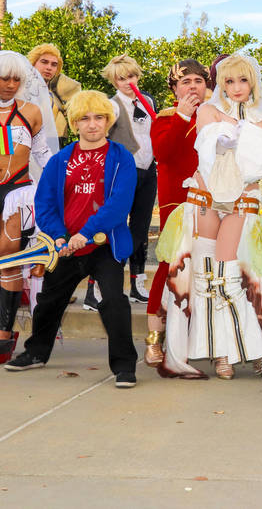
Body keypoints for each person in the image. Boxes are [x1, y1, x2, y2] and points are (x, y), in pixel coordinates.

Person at [155, 52, 262, 380]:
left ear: (253, 81)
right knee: (203, 276)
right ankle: (219, 355)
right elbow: (205, 155)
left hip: (243, 202)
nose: (236, 87)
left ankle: (256, 350)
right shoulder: (208, 110)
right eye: (229, 81)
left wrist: (248, 137)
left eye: (243, 80)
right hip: (204, 198)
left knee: (235, 277)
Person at [5, 91, 138, 386]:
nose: (92, 124)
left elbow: (119, 204)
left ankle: (124, 366)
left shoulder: (121, 159)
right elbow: (45, 204)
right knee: (49, 301)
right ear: (76, 123)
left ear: (108, 121)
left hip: (105, 246)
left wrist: (86, 234)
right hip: (65, 248)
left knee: (115, 302)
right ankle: (36, 353)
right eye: (85, 119)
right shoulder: (59, 161)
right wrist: (60, 237)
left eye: (99, 117)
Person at [144, 59, 209, 369]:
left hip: (213, 201)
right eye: (186, 82)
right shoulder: (165, 118)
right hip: (177, 204)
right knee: (169, 266)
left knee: (207, 267)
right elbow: (164, 153)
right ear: (174, 88)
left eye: (198, 80)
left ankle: (198, 336)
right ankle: (153, 339)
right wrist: (183, 115)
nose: (193, 86)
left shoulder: (216, 116)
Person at [0, 52, 58, 363]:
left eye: (16, 79)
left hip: (17, 192)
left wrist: (62, 182)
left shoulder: (32, 112)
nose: (10, 85)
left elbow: (43, 153)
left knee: (7, 260)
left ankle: (4, 334)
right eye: (3, 78)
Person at [102, 54, 157, 306]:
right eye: (121, 78)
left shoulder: (148, 101)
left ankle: (138, 283)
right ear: (114, 80)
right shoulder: (111, 105)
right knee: (115, 227)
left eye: (132, 76)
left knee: (141, 228)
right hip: (125, 171)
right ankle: (105, 284)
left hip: (149, 170)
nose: (128, 82)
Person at [27, 43, 81, 146]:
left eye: (54, 64)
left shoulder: (58, 93)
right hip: (21, 150)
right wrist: (5, 150)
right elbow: (4, 122)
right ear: (33, 63)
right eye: (44, 62)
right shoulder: (17, 89)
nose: (49, 67)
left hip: (53, 146)